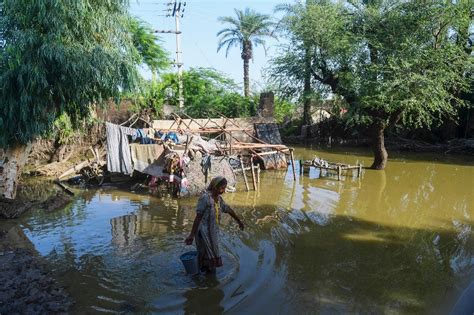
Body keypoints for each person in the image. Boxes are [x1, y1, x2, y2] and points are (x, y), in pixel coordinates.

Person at [185, 176, 244, 273]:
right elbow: (198, 217)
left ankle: (205, 275)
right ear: (215, 187)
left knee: (211, 254)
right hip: (203, 232)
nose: (224, 191)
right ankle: (201, 277)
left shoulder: (219, 200)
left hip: (212, 232)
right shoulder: (205, 198)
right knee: (204, 253)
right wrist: (191, 235)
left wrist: (239, 221)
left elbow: (228, 210)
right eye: (222, 188)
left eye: (224, 188)